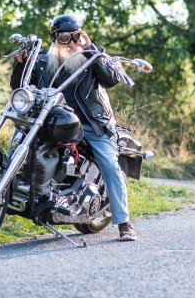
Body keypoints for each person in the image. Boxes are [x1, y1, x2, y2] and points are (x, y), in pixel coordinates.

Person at [9, 14, 137, 242]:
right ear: (55, 38)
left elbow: (111, 79)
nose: (72, 41)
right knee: (18, 139)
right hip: (56, 123)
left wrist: (90, 49)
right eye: (66, 36)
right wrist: (20, 64)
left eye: (76, 34)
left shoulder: (91, 55)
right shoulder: (42, 60)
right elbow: (21, 86)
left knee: (109, 163)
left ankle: (124, 223)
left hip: (92, 123)